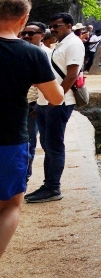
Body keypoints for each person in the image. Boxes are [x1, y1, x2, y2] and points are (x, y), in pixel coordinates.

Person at [0, 0, 63, 258]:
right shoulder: (32, 53)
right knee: (11, 203)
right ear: (24, 19)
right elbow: (56, 98)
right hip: (10, 137)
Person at [27, 11, 84, 204]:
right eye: (51, 26)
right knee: (47, 145)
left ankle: (53, 188)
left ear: (69, 26)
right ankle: (48, 185)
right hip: (45, 102)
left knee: (54, 146)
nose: (53, 29)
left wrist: (55, 99)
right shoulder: (61, 43)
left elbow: (72, 75)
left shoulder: (74, 44)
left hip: (59, 103)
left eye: (57, 26)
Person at [20, 23, 49, 180]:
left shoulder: (47, 54)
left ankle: (25, 175)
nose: (26, 36)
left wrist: (38, 104)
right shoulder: (19, 51)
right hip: (17, 103)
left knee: (29, 141)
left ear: (42, 35)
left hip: (33, 105)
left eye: (31, 33)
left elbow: (51, 83)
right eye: (23, 33)